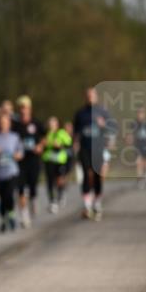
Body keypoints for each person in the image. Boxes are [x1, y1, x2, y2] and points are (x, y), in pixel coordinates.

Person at [72, 87, 114, 221]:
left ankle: (97, 203)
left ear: (96, 96)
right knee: (85, 174)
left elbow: (111, 128)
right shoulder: (80, 113)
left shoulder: (103, 111)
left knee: (97, 176)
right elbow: (75, 132)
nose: (90, 97)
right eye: (88, 95)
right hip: (84, 148)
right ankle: (87, 205)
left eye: (93, 95)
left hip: (98, 148)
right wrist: (75, 144)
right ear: (85, 97)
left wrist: (104, 126)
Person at [11, 95, 46, 228]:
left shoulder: (36, 123)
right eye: (20, 108)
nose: (23, 110)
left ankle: (33, 200)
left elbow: (45, 137)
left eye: (25, 107)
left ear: (29, 108)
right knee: (21, 189)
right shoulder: (15, 125)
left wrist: (40, 146)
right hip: (20, 161)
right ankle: (24, 216)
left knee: (32, 187)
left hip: (34, 160)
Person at [0, 110, 24, 233]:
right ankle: (3, 219)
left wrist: (16, 155)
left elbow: (20, 153)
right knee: (2, 197)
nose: (3, 124)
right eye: (1, 122)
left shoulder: (14, 137)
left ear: (9, 123)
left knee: (9, 194)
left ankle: (12, 215)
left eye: (5, 122)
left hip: (11, 171)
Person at [42, 116, 72, 213]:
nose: (51, 125)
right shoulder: (45, 134)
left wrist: (60, 145)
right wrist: (44, 144)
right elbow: (41, 145)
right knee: (50, 181)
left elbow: (69, 144)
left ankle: (61, 193)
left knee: (59, 179)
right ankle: (52, 202)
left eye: (53, 123)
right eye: (50, 123)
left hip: (59, 160)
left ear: (57, 124)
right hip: (48, 160)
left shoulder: (61, 133)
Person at [129, 106, 146, 189]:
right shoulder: (134, 123)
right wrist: (130, 139)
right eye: (139, 112)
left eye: (142, 113)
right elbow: (130, 134)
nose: (140, 114)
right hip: (137, 146)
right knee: (138, 162)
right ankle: (140, 180)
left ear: (145, 114)